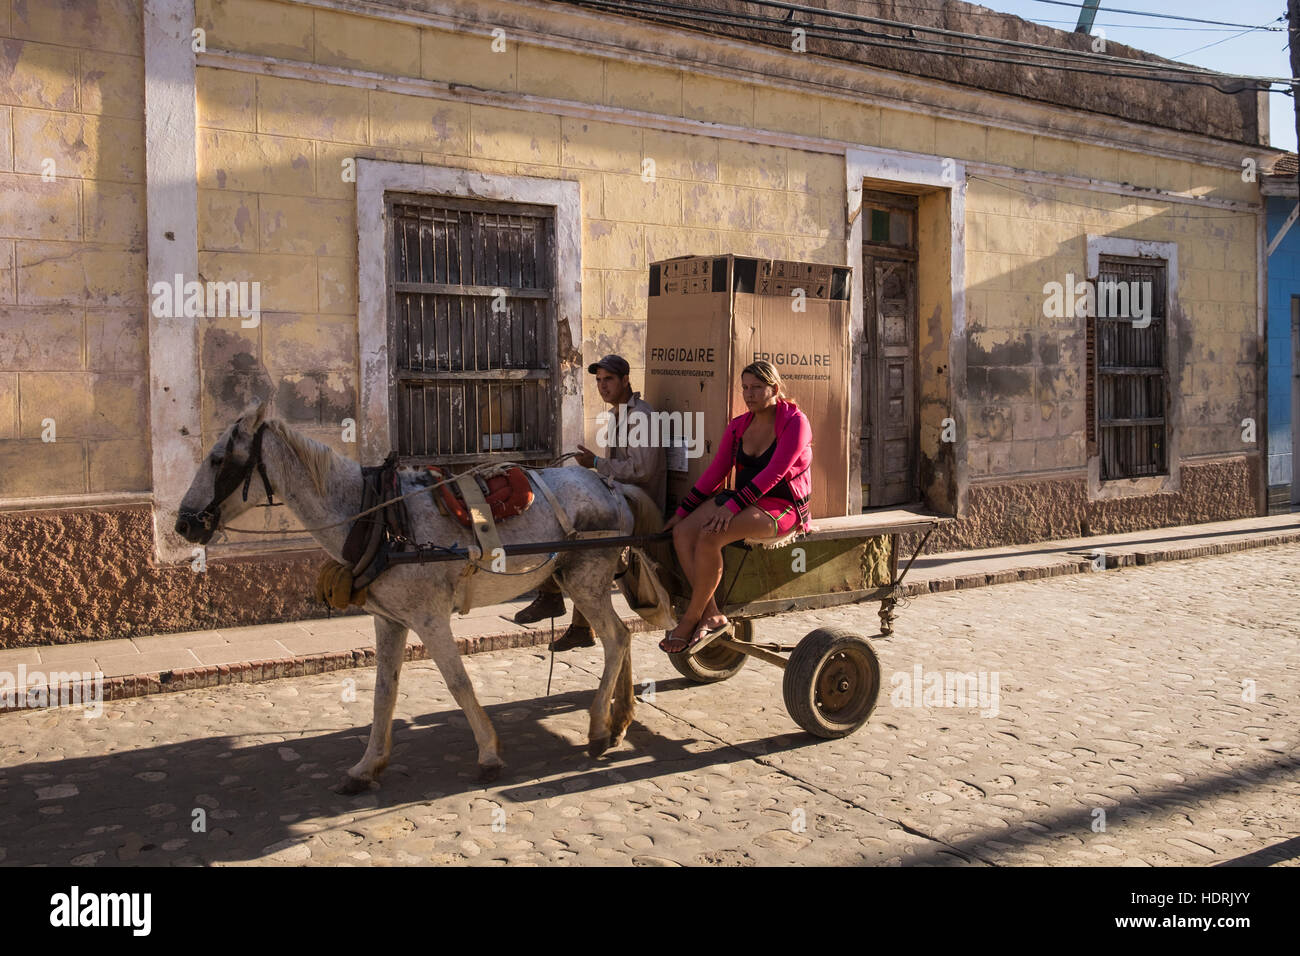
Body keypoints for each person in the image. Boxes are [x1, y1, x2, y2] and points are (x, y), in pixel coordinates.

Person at [513, 354, 667, 650]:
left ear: (625, 381)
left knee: (579, 524)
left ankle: (554, 598)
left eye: (608, 379)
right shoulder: (618, 415)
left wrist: (596, 463)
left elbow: (642, 470)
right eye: (598, 380)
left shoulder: (642, 416)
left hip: (640, 500)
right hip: (621, 494)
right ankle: (568, 614)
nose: (602, 386)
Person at [660, 360, 812, 654]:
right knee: (682, 533)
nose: (749, 394)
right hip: (743, 500)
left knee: (709, 537)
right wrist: (680, 513)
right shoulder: (738, 426)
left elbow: (777, 472)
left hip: (781, 505)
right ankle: (712, 614)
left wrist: (731, 507)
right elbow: (715, 473)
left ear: (775, 389)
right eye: (745, 388)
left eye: (757, 387)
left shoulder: (796, 422)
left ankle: (691, 618)